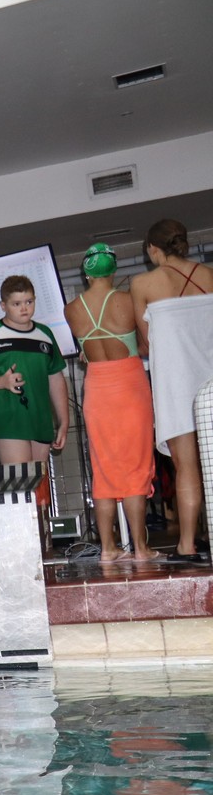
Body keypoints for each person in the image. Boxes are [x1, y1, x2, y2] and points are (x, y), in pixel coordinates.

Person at [64, 244, 159, 562]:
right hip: (129, 385)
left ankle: (107, 549)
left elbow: (87, 348)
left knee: (103, 469)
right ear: (114, 270)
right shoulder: (127, 300)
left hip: (97, 388)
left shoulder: (71, 309)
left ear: (86, 273)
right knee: (135, 467)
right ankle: (141, 549)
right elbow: (146, 345)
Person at [130, 219, 213, 564]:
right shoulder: (209, 275)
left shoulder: (142, 283)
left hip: (178, 384)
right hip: (211, 382)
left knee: (186, 466)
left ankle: (187, 545)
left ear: (153, 249)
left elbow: (145, 343)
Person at [0, 275, 69, 486]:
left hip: (40, 421)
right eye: (16, 304)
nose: (24, 308)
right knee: (22, 486)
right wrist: (1, 382)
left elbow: (55, 378)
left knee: (39, 490)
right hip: (8, 422)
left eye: (29, 302)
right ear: (3, 306)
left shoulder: (45, 334)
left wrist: (64, 421)